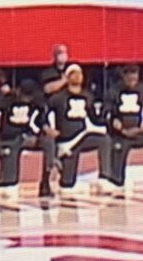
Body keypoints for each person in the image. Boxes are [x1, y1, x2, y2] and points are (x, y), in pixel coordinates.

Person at [46, 64, 117, 195]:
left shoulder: (87, 96)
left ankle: (104, 178)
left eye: (80, 73)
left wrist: (109, 119)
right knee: (67, 186)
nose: (78, 76)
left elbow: (95, 118)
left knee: (104, 140)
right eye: (74, 73)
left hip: (82, 136)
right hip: (66, 141)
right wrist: (48, 129)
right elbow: (44, 114)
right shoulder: (57, 98)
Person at [0, 79, 56, 199]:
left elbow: (41, 119)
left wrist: (46, 128)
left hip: (26, 136)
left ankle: (45, 182)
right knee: (9, 188)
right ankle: (3, 178)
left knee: (48, 142)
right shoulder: (8, 100)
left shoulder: (36, 100)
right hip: (8, 138)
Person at [106, 65, 143, 193]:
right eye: (129, 76)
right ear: (123, 76)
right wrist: (115, 124)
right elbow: (106, 114)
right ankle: (116, 179)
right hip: (121, 134)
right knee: (117, 180)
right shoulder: (113, 91)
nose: (132, 79)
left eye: (134, 76)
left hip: (140, 132)